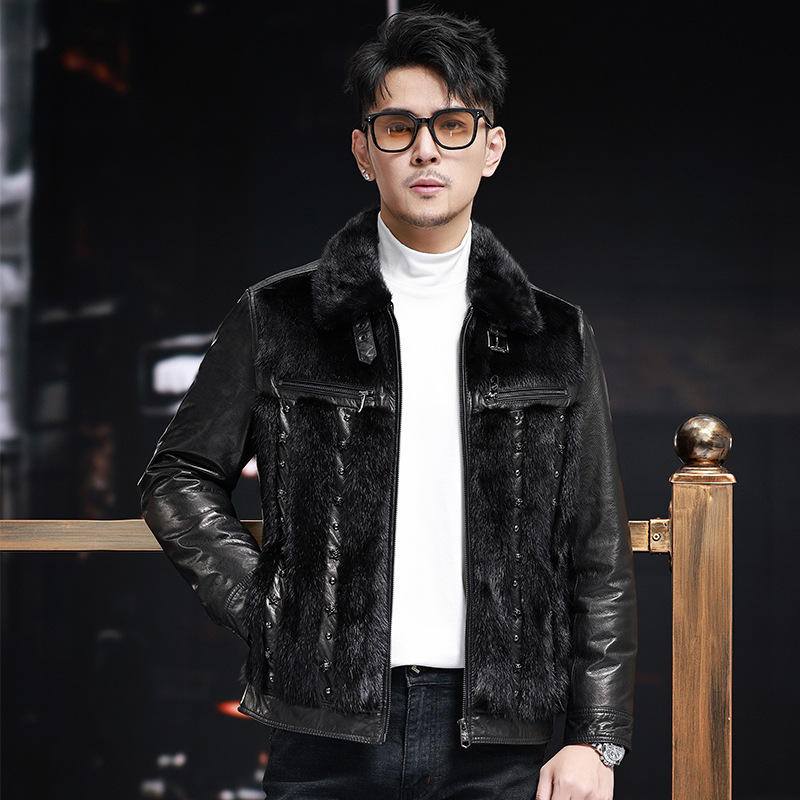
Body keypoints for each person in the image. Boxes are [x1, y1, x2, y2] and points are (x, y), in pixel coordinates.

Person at [140, 8, 636, 800]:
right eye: (399, 128)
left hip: (498, 739)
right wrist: (271, 606)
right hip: (323, 734)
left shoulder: (552, 335)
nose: (426, 149)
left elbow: (597, 550)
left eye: (452, 125)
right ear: (364, 151)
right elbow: (177, 476)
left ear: (491, 149)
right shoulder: (280, 317)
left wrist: (595, 738)